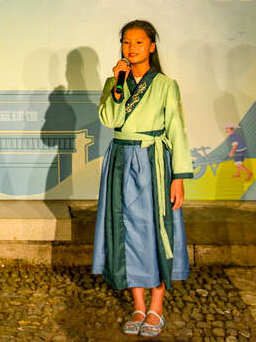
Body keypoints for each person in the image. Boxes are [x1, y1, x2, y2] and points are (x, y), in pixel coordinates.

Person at [92, 20, 193, 338]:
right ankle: (138, 305)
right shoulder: (115, 83)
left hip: (152, 161)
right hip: (121, 159)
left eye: (138, 42)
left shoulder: (165, 85)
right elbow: (109, 118)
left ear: (151, 46)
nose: (131, 48)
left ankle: (156, 305)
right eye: (126, 42)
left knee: (154, 228)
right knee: (125, 229)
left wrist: (179, 177)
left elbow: (176, 130)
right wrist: (117, 82)